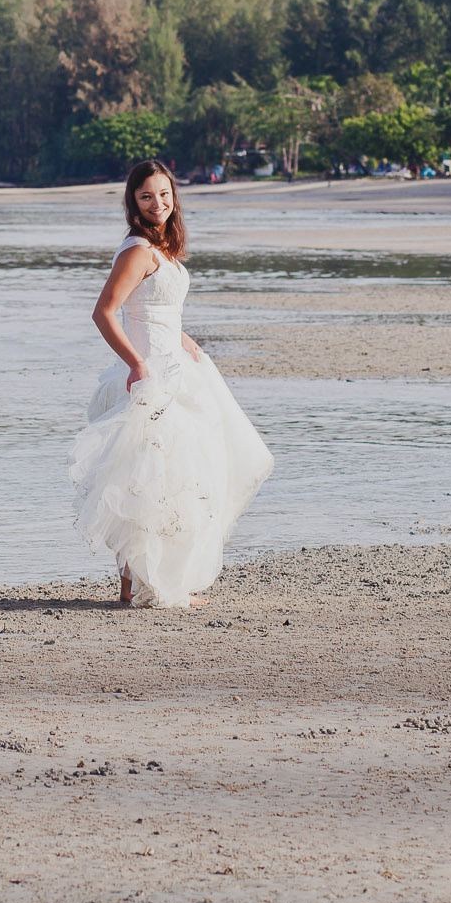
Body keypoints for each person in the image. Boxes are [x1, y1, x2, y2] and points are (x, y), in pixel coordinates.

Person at [69, 161, 274, 607]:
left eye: (164, 195)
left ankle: (143, 585)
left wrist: (186, 341)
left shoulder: (162, 248)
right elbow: (104, 313)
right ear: (133, 202)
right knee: (146, 481)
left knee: (173, 479)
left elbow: (155, 311)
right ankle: (142, 586)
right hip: (152, 378)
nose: (157, 203)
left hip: (181, 370)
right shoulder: (137, 251)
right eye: (147, 196)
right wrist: (136, 364)